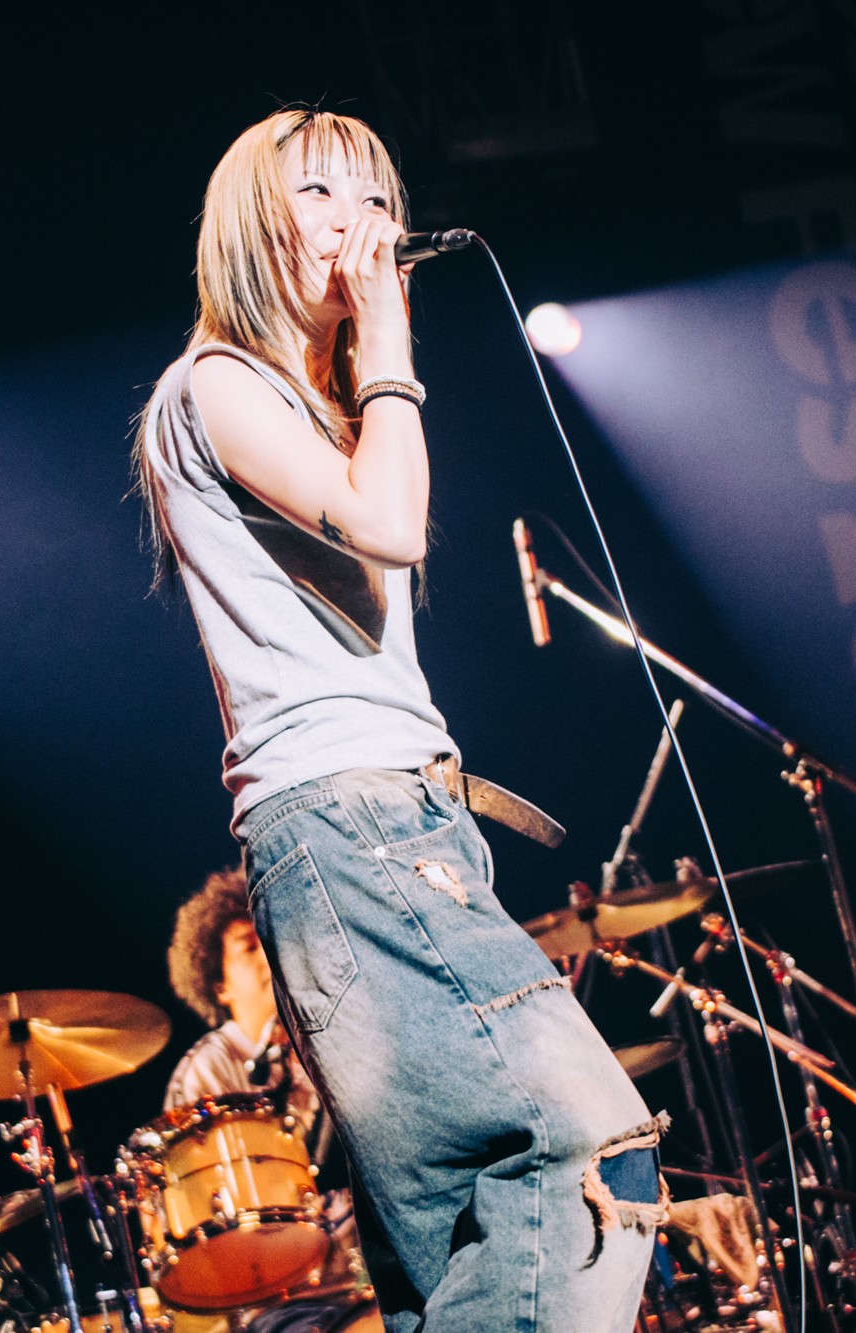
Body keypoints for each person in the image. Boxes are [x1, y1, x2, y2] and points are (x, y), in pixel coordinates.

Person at [133, 107, 664, 1332]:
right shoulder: (215, 381)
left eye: (376, 197)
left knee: (453, 1245)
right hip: (351, 824)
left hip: (395, 824)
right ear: (251, 225)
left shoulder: (314, 411)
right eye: (320, 194)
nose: (360, 222)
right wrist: (385, 346)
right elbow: (390, 525)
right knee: (590, 1147)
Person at [164, 865, 322, 1134]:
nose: (269, 954)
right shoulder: (209, 1067)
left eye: (269, 940)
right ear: (220, 987)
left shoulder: (321, 1036)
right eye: (249, 947)